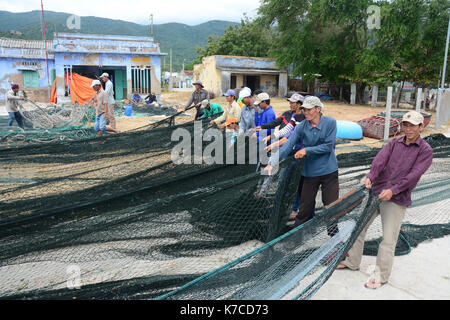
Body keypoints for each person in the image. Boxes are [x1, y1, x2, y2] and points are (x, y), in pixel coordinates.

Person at [337, 110, 433, 289]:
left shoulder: (425, 151)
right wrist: (370, 176)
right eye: (405, 124)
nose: (408, 128)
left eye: (412, 125)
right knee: (358, 228)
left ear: (421, 127)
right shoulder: (394, 142)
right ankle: (353, 262)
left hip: (396, 199)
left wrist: (393, 190)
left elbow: (414, 176)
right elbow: (379, 161)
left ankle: (381, 276)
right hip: (376, 192)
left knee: (388, 239)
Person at [264, 96, 339, 235]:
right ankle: (297, 237)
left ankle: (335, 238)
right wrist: (271, 163)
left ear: (318, 109)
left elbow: (328, 147)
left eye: (309, 109)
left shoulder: (330, 122)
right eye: (304, 109)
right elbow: (287, 146)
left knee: (331, 207)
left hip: (329, 172)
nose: (306, 112)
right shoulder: (302, 127)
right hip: (310, 173)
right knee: (304, 208)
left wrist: (306, 150)